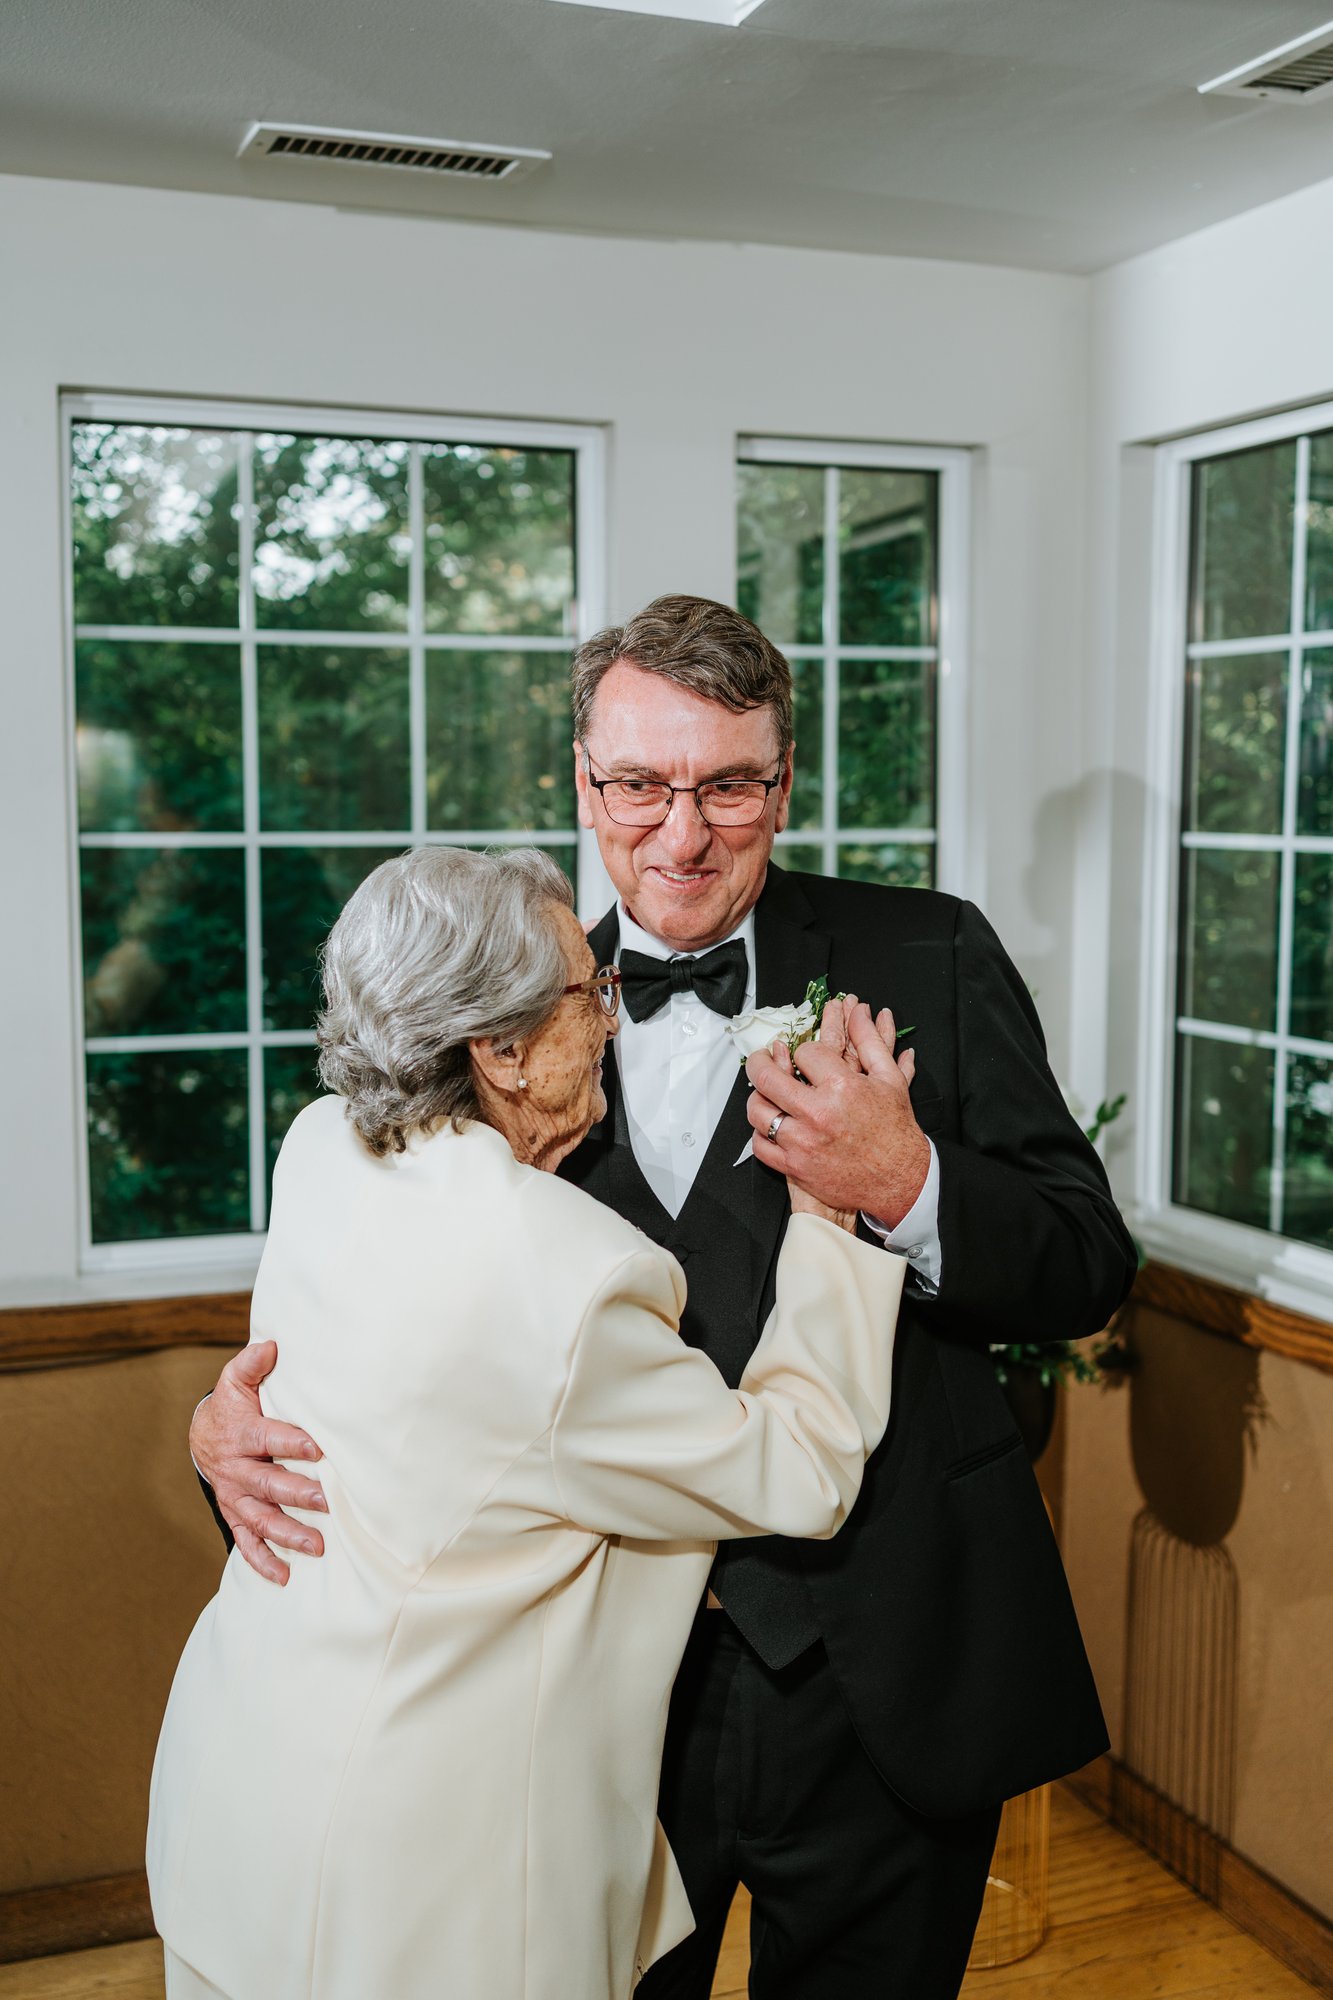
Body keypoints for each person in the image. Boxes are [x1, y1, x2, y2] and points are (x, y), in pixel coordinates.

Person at [192, 597, 1139, 2000]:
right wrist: (225, 1427)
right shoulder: (498, 998)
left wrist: (908, 1182)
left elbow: (1083, 1262)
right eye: (637, 785)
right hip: (589, 1711)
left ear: (785, 778)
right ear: (581, 783)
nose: (680, 834)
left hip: (885, 1674)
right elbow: (376, 1287)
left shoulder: (927, 952)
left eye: (727, 785)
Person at [150, 844, 906, 2000]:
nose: (610, 1014)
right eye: (586, 992)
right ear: (498, 1051)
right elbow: (800, 1468)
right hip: (430, 1887)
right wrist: (827, 1210)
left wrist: (219, 1415)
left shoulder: (319, 1148)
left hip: (241, 1788)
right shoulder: (571, 1281)